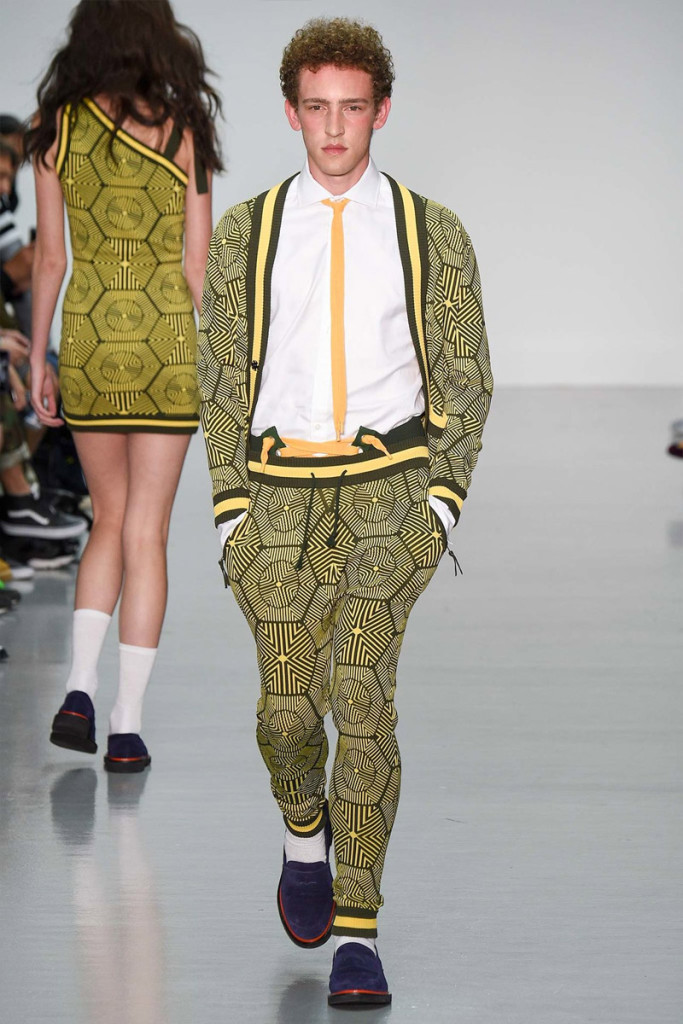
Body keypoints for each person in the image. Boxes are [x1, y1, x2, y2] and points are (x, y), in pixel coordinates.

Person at [198, 16, 493, 1008]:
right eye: (316, 108)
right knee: (286, 711)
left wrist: (438, 507)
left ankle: (357, 933)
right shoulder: (244, 231)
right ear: (291, 112)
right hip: (273, 500)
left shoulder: (430, 229)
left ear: (381, 111)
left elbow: (466, 374)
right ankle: (301, 834)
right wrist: (229, 511)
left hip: (386, 496)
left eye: (352, 108)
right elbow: (218, 378)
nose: (333, 128)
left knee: (360, 694)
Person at [27, 0, 221, 772]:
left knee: (104, 520)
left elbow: (50, 258)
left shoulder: (55, 129)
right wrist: (230, 359)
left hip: (91, 339)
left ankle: (77, 688)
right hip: (165, 347)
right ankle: (127, 725)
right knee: (147, 532)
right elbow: (198, 267)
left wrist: (37, 360)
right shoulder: (184, 130)